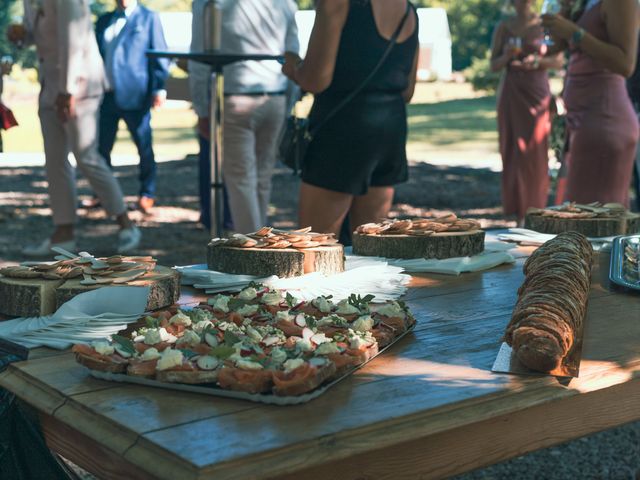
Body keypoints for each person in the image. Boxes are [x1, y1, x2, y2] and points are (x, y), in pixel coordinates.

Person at [8, 0, 141, 256]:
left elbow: (73, 39)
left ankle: (126, 224)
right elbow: (38, 35)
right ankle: (64, 232)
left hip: (80, 84)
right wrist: (21, 37)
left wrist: (67, 90)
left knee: (86, 156)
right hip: (50, 84)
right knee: (55, 160)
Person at [282, 0, 419, 236]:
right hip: (390, 129)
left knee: (317, 244)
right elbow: (407, 90)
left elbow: (316, 79)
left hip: (342, 129)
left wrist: (293, 65)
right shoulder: (407, 10)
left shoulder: (336, 4)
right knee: (372, 246)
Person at [189, 0, 299, 233]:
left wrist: (200, 108)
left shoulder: (209, 3)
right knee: (261, 178)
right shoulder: (285, 2)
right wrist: (288, 102)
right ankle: (262, 241)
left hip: (235, 96)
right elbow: (292, 54)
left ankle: (252, 247)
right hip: (275, 95)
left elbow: (199, 58)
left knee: (241, 181)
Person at [542, 0, 639, 206]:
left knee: (593, 218)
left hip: (604, 119)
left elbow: (625, 63)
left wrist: (575, 32)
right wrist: (563, 14)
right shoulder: (583, 3)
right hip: (581, 119)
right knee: (578, 212)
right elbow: (553, 49)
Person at [490, 0, 564, 225]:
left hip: (536, 92)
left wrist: (537, 61)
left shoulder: (544, 25)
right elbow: (493, 64)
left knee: (534, 152)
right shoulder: (504, 26)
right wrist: (507, 57)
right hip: (511, 92)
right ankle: (514, 210)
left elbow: (558, 60)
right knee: (511, 150)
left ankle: (534, 210)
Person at [95, 0, 170, 213]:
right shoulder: (103, 21)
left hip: (135, 94)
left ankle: (147, 193)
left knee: (143, 146)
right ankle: (103, 194)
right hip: (105, 94)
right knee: (101, 148)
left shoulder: (149, 18)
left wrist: (159, 88)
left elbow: (159, 55)